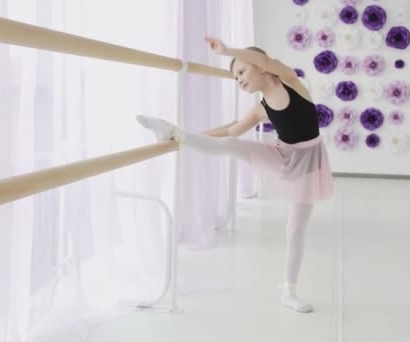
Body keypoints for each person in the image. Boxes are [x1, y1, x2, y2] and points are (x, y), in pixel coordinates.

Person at [136, 36, 333, 313]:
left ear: (260, 67)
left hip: (309, 162)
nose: (238, 79)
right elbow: (230, 132)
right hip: (281, 155)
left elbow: (264, 60)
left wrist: (227, 51)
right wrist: (189, 137)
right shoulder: (260, 108)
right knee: (232, 145)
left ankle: (289, 290)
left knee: (296, 229)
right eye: (235, 77)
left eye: (241, 71)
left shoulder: (291, 81)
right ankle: (174, 132)